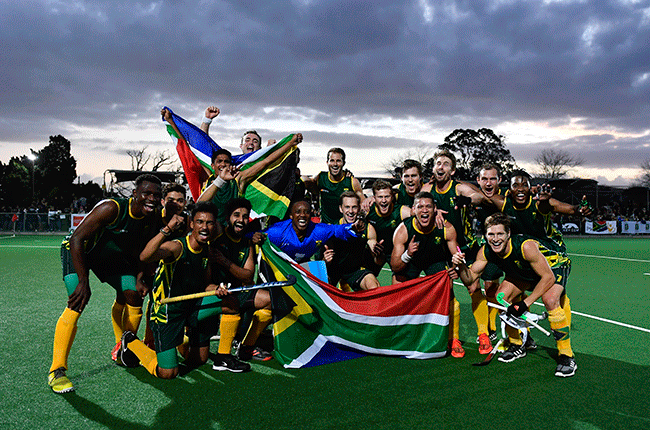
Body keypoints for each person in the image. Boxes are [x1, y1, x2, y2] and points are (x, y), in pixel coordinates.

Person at [48, 174, 162, 393]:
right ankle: (57, 371)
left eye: (156, 195)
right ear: (134, 194)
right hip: (78, 252)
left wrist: (140, 277)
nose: (152, 199)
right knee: (78, 301)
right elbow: (77, 239)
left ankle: (123, 347)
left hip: (109, 257)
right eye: (147, 193)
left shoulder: (153, 216)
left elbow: (143, 248)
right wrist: (83, 281)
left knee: (133, 294)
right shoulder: (111, 208)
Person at [120, 202, 240, 379]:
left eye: (209, 223)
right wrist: (167, 229)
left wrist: (218, 289)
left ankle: (223, 357)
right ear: (191, 224)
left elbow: (206, 285)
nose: (205, 227)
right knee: (168, 373)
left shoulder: (206, 250)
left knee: (230, 304)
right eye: (200, 222)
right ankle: (131, 341)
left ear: (214, 226)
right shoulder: (177, 247)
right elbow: (145, 256)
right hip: (167, 312)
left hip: (191, 307)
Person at [452, 213, 576, 377]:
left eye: (500, 234)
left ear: (508, 234)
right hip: (525, 270)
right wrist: (460, 266)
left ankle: (566, 355)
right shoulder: (485, 251)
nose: (495, 239)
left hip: (554, 265)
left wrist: (524, 304)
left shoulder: (525, 247)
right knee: (501, 298)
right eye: (491, 234)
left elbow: (548, 278)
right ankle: (517, 344)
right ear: (485, 235)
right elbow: (469, 279)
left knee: (550, 299)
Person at [159, 107, 302, 225]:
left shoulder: (239, 179)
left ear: (260, 149)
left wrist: (288, 144)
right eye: (219, 162)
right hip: (211, 230)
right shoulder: (210, 175)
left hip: (238, 229)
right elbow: (196, 149)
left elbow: (266, 161)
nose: (223, 164)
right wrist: (173, 122)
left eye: (226, 162)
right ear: (212, 165)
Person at [422, 150, 492, 355]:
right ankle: (453, 339)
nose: (441, 167)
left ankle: (483, 334)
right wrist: (433, 210)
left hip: (465, 247)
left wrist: (467, 200)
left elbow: (477, 197)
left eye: (445, 164)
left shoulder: (458, 188)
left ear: (452, 171)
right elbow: (417, 206)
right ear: (433, 168)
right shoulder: (427, 189)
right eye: (438, 163)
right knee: (447, 292)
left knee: (473, 287)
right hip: (439, 249)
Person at [390, 192, 465, 358]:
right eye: (420, 206)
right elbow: (395, 266)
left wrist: (456, 268)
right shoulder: (403, 229)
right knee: (397, 285)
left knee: (448, 287)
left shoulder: (446, 227)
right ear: (414, 209)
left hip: (435, 260)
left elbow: (457, 255)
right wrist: (408, 254)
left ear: (435, 209)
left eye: (428, 207)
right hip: (412, 260)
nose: (424, 210)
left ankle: (453, 338)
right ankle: (402, 334)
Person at [210, 198, 274, 367]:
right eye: (236, 215)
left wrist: (224, 261)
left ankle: (246, 347)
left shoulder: (247, 242)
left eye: (245, 217)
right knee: (196, 355)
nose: (241, 220)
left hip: (238, 290)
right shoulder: (217, 234)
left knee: (270, 300)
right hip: (213, 292)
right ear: (227, 218)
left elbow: (247, 275)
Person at [255, 199, 363, 264]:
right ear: (291, 216)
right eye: (298, 212)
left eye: (306, 212)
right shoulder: (278, 232)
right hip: (280, 266)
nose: (302, 215)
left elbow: (336, 229)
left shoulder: (318, 231)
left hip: (303, 265)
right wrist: (254, 237)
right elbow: (255, 236)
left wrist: (353, 228)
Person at [323, 191, 383, 291]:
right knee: (320, 288)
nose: (350, 211)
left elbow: (378, 261)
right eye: (347, 207)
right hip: (334, 270)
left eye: (354, 207)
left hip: (354, 270)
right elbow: (321, 261)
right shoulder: (332, 228)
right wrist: (325, 261)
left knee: (374, 286)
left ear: (359, 208)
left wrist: (378, 253)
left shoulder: (368, 228)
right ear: (341, 209)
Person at [303, 148, 365, 224]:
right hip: (326, 226)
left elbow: (363, 204)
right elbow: (306, 181)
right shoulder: (320, 177)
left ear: (343, 163)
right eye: (332, 160)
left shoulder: (352, 182)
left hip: (344, 226)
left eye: (338, 161)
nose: (335, 164)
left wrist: (359, 219)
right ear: (327, 162)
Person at [365, 179, 411, 270]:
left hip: (395, 251)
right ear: (374, 198)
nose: (384, 200)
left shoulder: (401, 211)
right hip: (375, 250)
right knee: (366, 275)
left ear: (392, 197)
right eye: (380, 197)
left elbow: (419, 215)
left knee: (399, 276)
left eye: (387, 196)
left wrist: (436, 212)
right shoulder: (368, 211)